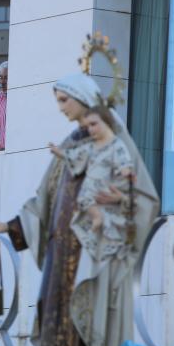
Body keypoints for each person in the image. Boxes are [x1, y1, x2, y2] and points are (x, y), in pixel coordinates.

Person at [0, 73, 158, 346]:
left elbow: (144, 198)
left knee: (87, 315)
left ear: (84, 99)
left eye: (65, 100)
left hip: (93, 251)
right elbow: (45, 200)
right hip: (60, 250)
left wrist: (116, 206)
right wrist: (11, 226)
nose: (61, 108)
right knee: (55, 312)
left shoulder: (113, 140)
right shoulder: (69, 145)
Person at [52, 106, 134, 259]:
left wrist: (126, 175)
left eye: (94, 124)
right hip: (90, 186)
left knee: (94, 207)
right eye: (87, 126)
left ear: (106, 122)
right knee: (83, 202)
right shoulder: (92, 146)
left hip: (103, 187)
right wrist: (60, 152)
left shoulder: (117, 145)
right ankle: (97, 226)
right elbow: (75, 155)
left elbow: (125, 166)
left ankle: (100, 221)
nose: (90, 129)